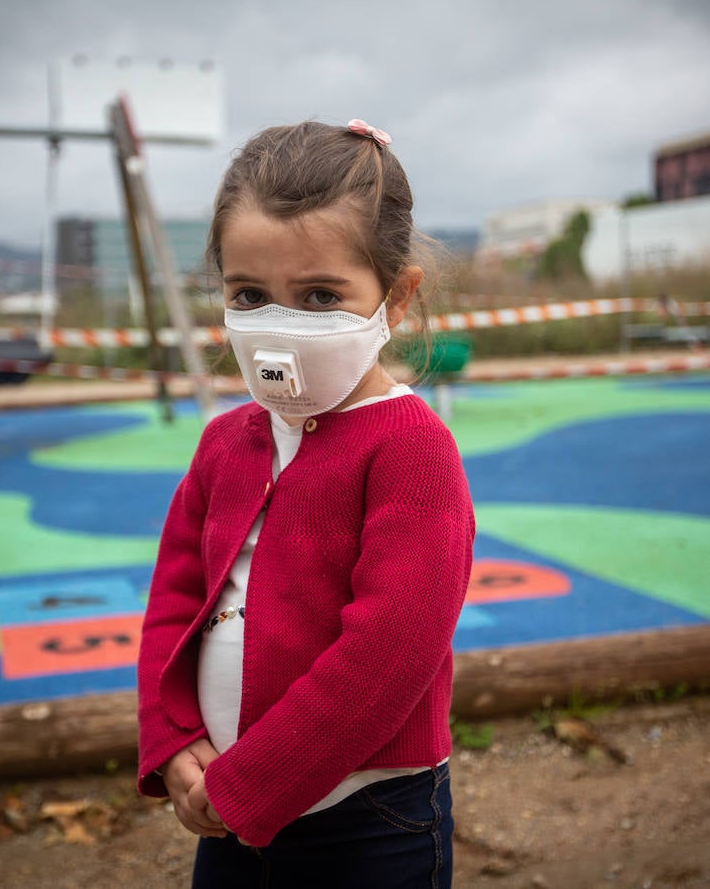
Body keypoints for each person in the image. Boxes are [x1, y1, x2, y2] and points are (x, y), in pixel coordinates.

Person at [136, 119, 475, 887]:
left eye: (320, 296)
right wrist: (173, 737)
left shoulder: (411, 452)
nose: (278, 325)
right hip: (224, 813)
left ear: (395, 299)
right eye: (249, 295)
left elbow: (388, 656)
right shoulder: (225, 441)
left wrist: (248, 786)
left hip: (368, 826)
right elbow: (174, 600)